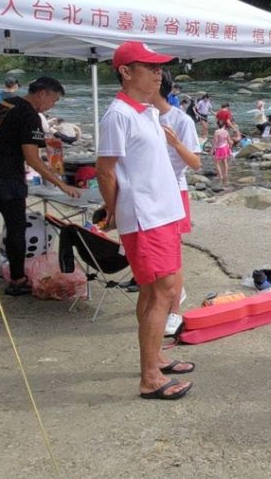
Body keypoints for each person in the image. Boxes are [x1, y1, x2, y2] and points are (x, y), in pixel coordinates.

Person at [96, 41, 192, 401]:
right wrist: (113, 210)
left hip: (164, 213)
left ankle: (156, 358)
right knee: (162, 292)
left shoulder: (147, 111)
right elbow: (105, 171)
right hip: (145, 217)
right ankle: (149, 378)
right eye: (150, 67)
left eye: (159, 68)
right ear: (125, 71)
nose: (158, 74)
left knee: (156, 292)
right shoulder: (117, 115)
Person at [0, 77, 80, 294]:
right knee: (15, 226)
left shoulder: (4, 104)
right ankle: (17, 280)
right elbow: (32, 158)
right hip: (6, 177)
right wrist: (61, 184)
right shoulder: (29, 115)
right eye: (53, 100)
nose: (52, 106)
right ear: (43, 94)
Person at [155, 70, 201, 336]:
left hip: (174, 191)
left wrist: (175, 143)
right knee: (159, 251)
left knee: (173, 253)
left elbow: (195, 163)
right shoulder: (143, 116)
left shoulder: (180, 120)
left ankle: (174, 311)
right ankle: (170, 294)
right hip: (149, 193)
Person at [212, 121, 232, 186]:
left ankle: (220, 176)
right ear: (223, 125)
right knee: (225, 161)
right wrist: (230, 147)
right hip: (225, 147)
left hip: (219, 148)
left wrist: (212, 150)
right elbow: (229, 141)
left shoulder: (216, 132)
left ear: (217, 125)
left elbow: (215, 141)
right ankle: (225, 175)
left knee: (216, 162)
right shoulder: (226, 132)